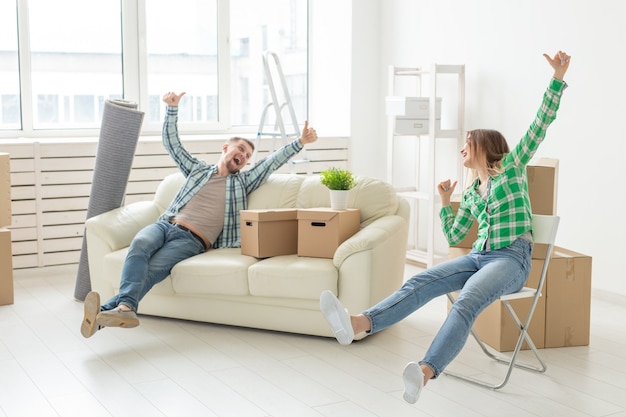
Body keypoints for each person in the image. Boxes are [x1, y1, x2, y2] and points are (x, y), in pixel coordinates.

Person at [320, 50, 570, 404]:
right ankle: (359, 323)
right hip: (478, 257)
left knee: (465, 301)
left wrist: (557, 78)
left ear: (486, 147)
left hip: (511, 261)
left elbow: (540, 125)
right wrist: (444, 204)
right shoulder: (470, 192)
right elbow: (455, 236)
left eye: (467, 143)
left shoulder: (512, 167)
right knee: (420, 281)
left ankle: (424, 372)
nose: (461, 148)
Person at [81, 91, 318, 338]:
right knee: (139, 244)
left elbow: (270, 163)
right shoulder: (197, 170)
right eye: (240, 149)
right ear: (226, 148)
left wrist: (299, 142)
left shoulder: (244, 181)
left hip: (192, 240)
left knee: (155, 269)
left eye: (247, 156)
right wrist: (172, 109)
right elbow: (173, 145)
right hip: (166, 225)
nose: (243, 157)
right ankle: (123, 309)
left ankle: (107, 312)